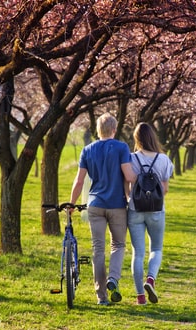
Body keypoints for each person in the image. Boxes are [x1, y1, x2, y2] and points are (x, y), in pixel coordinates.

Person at [69, 113, 137, 306]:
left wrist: (72, 204)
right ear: (114, 129)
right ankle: (113, 279)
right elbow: (128, 175)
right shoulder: (122, 147)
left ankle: (101, 297)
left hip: (95, 205)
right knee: (118, 245)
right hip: (117, 205)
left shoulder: (87, 150)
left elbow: (79, 180)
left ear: (97, 130)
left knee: (98, 249)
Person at [127, 122, 174, 305]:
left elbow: (127, 183)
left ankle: (140, 297)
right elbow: (165, 189)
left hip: (135, 209)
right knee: (156, 249)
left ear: (136, 139)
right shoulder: (163, 159)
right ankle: (150, 280)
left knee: (137, 253)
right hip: (156, 210)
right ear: (153, 137)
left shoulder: (130, 159)